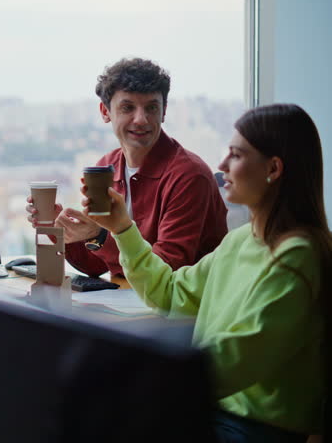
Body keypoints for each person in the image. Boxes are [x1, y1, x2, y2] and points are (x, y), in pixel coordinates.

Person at [83, 103, 329, 442]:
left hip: (255, 428)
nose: (221, 165)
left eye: (236, 155)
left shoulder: (299, 255)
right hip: (213, 410)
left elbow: (238, 359)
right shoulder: (241, 240)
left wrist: (141, 378)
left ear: (273, 168)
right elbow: (169, 293)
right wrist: (123, 228)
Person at [27, 57, 228, 277]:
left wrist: (99, 236)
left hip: (185, 308)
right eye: (127, 107)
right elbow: (98, 264)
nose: (141, 119)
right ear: (105, 112)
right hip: (131, 303)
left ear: (164, 111)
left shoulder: (189, 175)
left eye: (152, 107)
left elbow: (167, 268)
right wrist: (61, 230)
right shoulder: (106, 168)